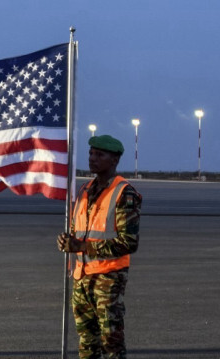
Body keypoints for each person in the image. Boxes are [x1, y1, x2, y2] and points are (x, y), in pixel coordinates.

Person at [57, 135, 142, 359]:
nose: (92, 159)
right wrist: (68, 242)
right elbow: (79, 231)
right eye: (91, 154)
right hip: (82, 277)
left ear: (114, 160)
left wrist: (82, 246)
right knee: (87, 342)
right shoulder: (85, 190)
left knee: (111, 344)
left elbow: (128, 243)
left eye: (99, 155)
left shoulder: (124, 193)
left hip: (108, 279)